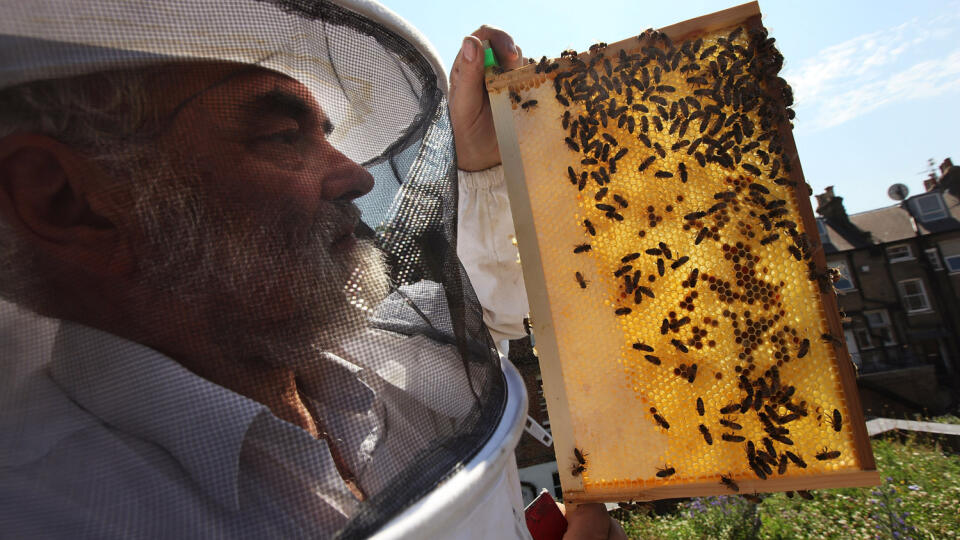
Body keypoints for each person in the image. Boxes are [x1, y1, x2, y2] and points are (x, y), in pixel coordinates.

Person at [0, 0, 624, 538]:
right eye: (280, 135)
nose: (358, 175)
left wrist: (483, 163)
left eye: (327, 133)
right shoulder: (49, 513)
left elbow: (491, 302)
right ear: (68, 200)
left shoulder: (395, 357)